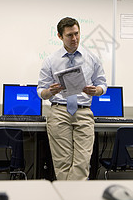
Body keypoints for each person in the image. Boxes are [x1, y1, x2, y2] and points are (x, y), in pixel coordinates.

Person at [37, 17, 107, 180]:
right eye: (69, 35)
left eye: (76, 34)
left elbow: (103, 85)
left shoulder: (92, 58)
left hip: (83, 112)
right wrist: (50, 91)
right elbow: (41, 91)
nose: (74, 39)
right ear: (60, 36)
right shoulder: (50, 60)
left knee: (82, 163)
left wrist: (96, 90)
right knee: (63, 163)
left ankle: (71, 198)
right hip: (59, 111)